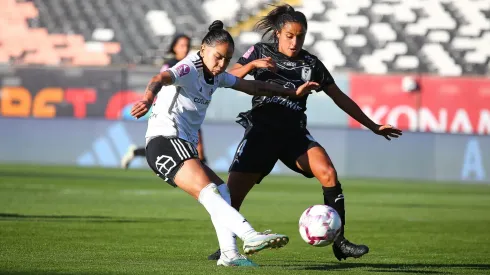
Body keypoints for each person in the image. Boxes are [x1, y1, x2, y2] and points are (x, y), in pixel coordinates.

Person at [207, 5, 403, 262]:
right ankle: (226, 248)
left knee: (328, 173)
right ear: (278, 33)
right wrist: (252, 64)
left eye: (300, 36)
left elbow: (340, 98)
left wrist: (373, 125)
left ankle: (340, 241)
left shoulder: (311, 64)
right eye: (290, 36)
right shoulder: (260, 52)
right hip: (261, 134)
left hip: (294, 135)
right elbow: (228, 78)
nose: (295, 41)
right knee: (231, 198)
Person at [130, 20, 320, 267]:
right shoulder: (190, 66)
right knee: (208, 192)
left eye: (227, 59)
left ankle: (229, 254)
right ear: (203, 51)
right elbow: (161, 77)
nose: (221, 64)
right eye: (217, 57)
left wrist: (292, 93)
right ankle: (250, 236)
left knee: (222, 191)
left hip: (179, 145)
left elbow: (252, 86)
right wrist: (147, 98)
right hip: (165, 141)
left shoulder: (216, 76)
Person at [121, 34, 208, 168]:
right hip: (174, 111)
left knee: (184, 148)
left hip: (189, 109)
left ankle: (136, 152)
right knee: (182, 148)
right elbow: (160, 84)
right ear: (174, 47)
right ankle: (201, 178)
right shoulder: (171, 66)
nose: (185, 49)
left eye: (187, 45)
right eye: (181, 45)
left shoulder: (192, 64)